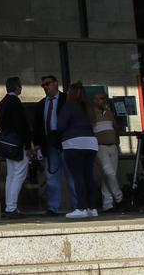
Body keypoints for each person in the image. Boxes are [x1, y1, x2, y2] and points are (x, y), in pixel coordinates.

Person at [54, 82, 99, 219]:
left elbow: (60, 125)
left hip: (73, 143)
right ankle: (92, 207)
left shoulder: (68, 106)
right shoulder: (87, 108)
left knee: (78, 176)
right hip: (91, 143)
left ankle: (81, 207)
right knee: (88, 176)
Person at [33, 75, 75, 216]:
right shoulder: (41, 104)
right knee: (51, 177)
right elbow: (37, 126)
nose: (45, 87)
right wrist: (38, 144)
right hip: (49, 145)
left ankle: (78, 206)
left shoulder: (66, 100)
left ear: (56, 84)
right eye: (43, 85)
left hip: (66, 143)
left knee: (72, 176)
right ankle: (52, 207)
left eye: (48, 84)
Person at [0, 76, 33, 218]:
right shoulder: (15, 102)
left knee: (11, 175)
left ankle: (9, 207)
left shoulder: (2, 102)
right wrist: (27, 145)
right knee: (19, 174)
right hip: (18, 144)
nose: (21, 88)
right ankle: (12, 207)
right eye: (20, 85)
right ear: (17, 87)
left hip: (7, 144)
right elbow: (22, 126)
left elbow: (0, 125)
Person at [91, 89, 124, 211]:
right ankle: (119, 198)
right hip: (100, 146)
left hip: (112, 146)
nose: (103, 100)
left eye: (104, 98)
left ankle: (108, 204)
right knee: (108, 172)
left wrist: (117, 141)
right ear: (94, 100)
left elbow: (115, 127)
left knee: (109, 175)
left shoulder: (109, 112)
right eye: (100, 98)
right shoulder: (91, 114)